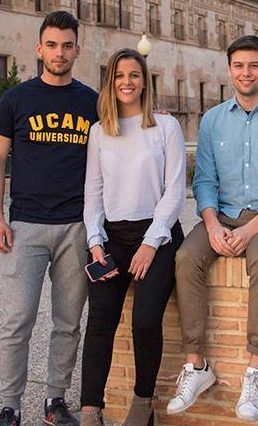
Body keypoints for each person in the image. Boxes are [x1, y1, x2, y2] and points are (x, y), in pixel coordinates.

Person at [168, 36, 258, 422]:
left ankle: (256, 368)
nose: (246, 73)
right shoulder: (213, 120)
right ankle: (197, 366)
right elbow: (205, 181)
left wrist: (250, 232)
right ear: (229, 70)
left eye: (254, 66)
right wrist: (211, 224)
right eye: (239, 66)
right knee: (185, 257)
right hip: (223, 215)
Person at [0, 11, 97, 426]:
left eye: (67, 45)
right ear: (39, 49)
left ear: (77, 50)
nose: (59, 52)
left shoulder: (90, 101)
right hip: (26, 226)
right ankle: (10, 404)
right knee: (17, 321)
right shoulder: (15, 99)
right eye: (52, 45)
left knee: (68, 322)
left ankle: (55, 400)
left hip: (76, 226)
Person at [78, 49, 186, 426]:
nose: (127, 81)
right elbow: (93, 192)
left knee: (144, 320)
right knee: (100, 321)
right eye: (120, 75)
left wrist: (150, 243)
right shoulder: (99, 132)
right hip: (111, 237)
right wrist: (95, 242)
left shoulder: (165, 127)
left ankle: (143, 404)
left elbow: (174, 192)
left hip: (157, 235)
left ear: (145, 81)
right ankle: (91, 409)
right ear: (111, 82)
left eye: (135, 75)